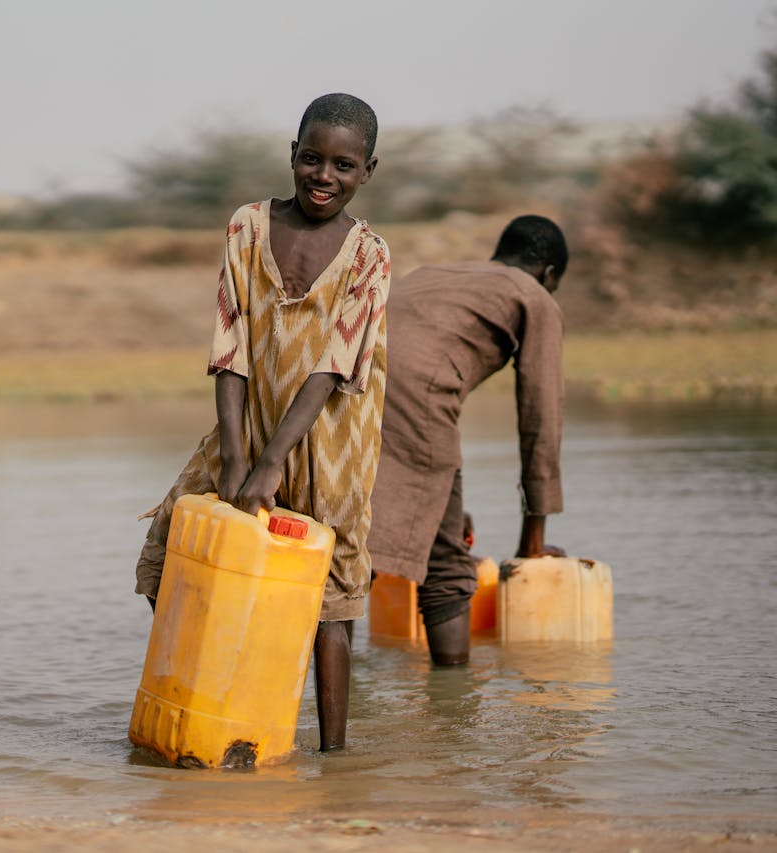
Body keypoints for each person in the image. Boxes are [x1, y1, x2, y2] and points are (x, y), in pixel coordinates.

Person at [134, 93, 390, 752]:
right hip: (245, 425)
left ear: (368, 171)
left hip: (332, 441)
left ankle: (332, 757)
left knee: (331, 598)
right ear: (293, 155)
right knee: (174, 550)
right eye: (311, 159)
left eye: (343, 165)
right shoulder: (248, 225)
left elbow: (334, 366)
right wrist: (239, 455)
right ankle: (217, 704)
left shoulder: (369, 254)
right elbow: (231, 342)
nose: (323, 176)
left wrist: (275, 459)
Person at [366, 215, 569, 667]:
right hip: (415, 399)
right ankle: (453, 710)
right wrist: (532, 541)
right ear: (549, 273)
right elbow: (541, 418)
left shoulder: (434, 274)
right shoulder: (533, 295)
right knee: (448, 567)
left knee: (351, 542)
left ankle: (335, 690)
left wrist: (440, 501)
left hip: (342, 385)